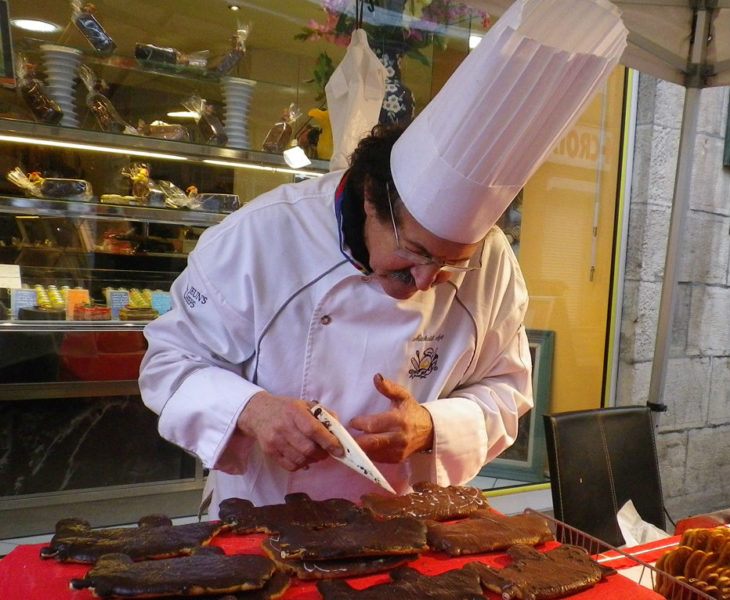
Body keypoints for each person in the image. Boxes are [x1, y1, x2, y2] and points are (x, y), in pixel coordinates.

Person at [139, 0, 626, 517]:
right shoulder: (257, 238)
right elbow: (168, 364)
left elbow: (508, 389)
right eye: (415, 252)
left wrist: (434, 426)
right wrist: (253, 410)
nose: (424, 280)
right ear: (371, 198)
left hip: (404, 521)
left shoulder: (494, 262)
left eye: (450, 264)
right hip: (261, 517)